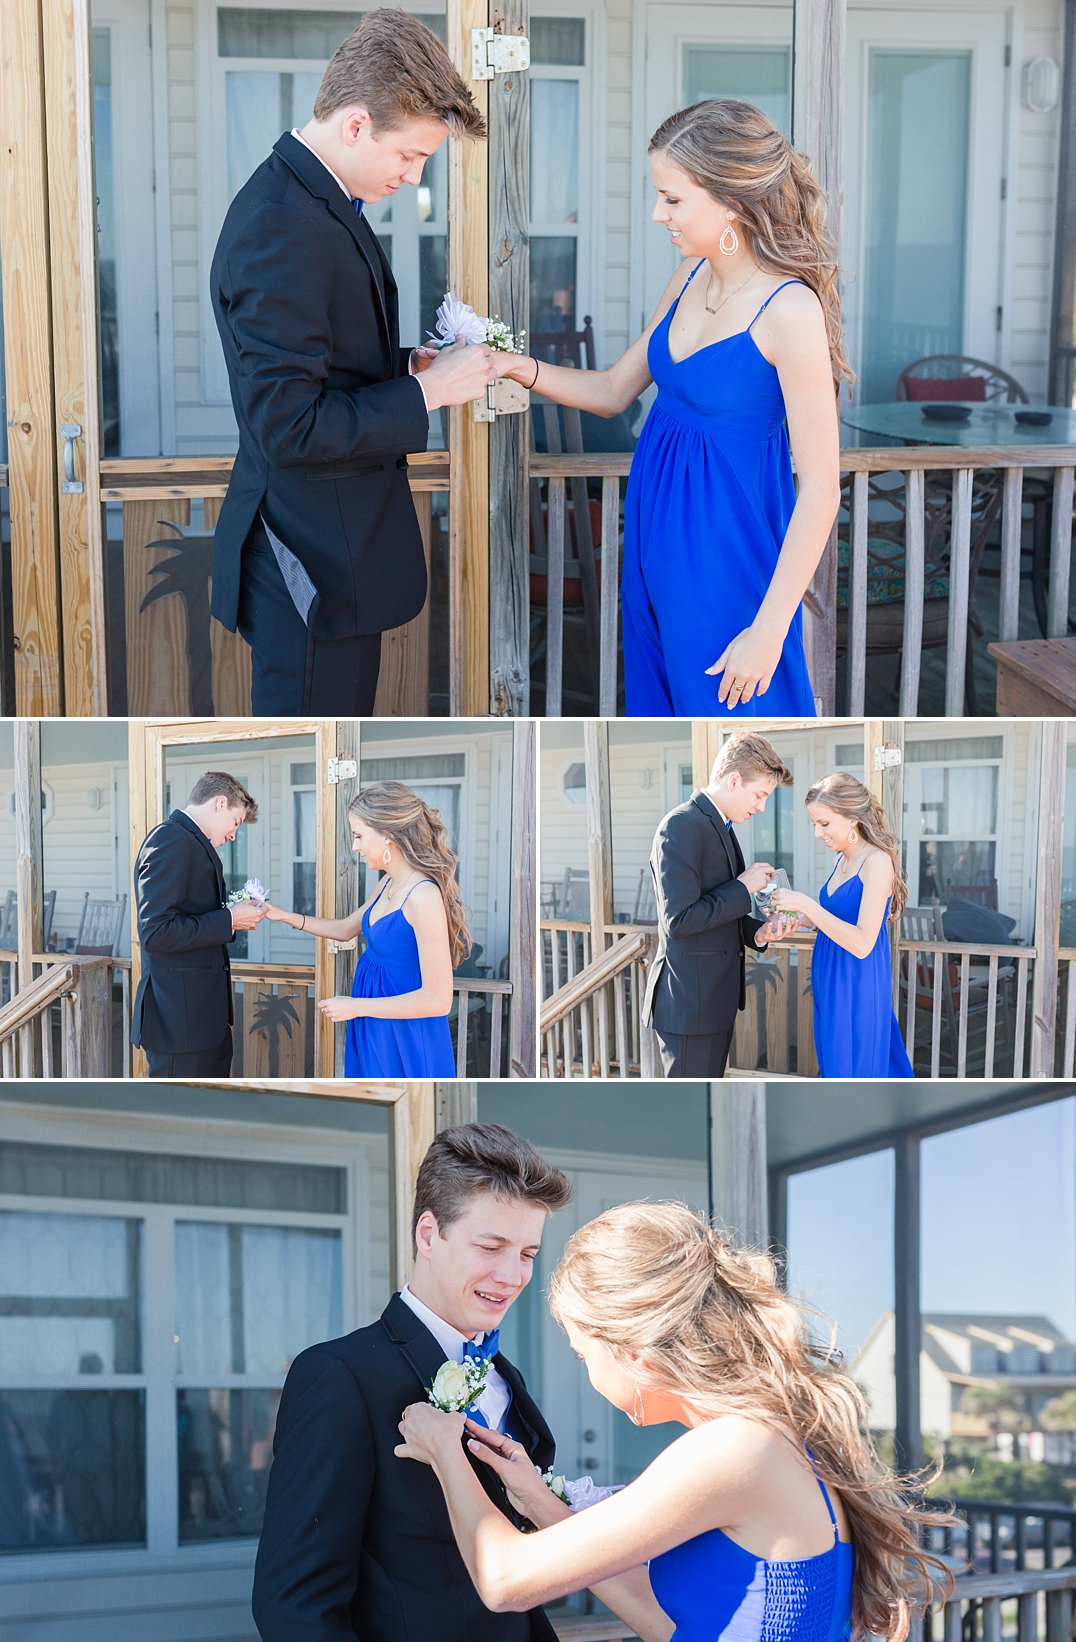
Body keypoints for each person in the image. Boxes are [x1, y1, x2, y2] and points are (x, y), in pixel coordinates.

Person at [398, 1201, 949, 1642]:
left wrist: (444, 1448)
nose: (589, 1375)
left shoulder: (732, 1451)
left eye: (586, 1355)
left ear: (635, 1351)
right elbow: (676, 1631)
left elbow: (505, 1579)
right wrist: (539, 1502)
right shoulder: (768, 1437)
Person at [252, 1123, 611, 1642]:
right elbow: (291, 1604)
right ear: (427, 1232)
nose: (513, 1275)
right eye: (491, 1245)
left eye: (529, 1252)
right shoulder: (339, 1376)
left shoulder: (506, 1378)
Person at [489, 99, 847, 717]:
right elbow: (611, 392)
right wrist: (514, 365)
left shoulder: (790, 310)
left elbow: (821, 489)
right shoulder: (686, 280)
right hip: (654, 548)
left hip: (728, 563)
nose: (659, 215)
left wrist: (766, 631)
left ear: (731, 199)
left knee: (733, 722)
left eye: (673, 199)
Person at [209, 11, 495, 716]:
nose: (415, 174)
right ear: (357, 124)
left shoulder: (318, 202)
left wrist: (406, 367)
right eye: (412, 154)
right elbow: (288, 425)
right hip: (307, 564)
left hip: (330, 555)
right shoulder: (283, 222)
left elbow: (321, 364)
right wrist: (427, 394)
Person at [262, 782, 462, 1077]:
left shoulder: (423, 897)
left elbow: (438, 1000)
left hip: (406, 1031)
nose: (355, 847)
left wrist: (356, 1006)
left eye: (358, 836)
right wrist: (284, 916)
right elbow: (345, 929)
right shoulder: (386, 884)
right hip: (374, 1023)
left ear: (388, 836)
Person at [642, 731, 797, 1078]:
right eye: (759, 795)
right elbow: (679, 920)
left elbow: (723, 910)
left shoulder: (722, 827)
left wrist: (760, 933)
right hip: (689, 1004)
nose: (760, 807)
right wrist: (743, 887)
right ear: (734, 780)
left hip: (712, 1004)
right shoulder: (680, 826)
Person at [778, 773, 915, 1078]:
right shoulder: (841, 859)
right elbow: (837, 921)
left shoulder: (877, 862)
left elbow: (864, 942)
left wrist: (805, 903)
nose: (817, 833)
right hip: (830, 980)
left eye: (824, 823)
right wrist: (799, 919)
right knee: (834, 1063)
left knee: (853, 1067)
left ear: (853, 819)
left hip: (856, 982)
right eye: (814, 824)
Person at [131, 771, 267, 1078]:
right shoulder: (169, 839)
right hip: (180, 1026)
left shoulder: (188, 841)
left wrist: (232, 918)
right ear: (220, 803)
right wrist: (230, 918)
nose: (234, 835)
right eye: (236, 822)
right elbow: (155, 932)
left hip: (204, 1023)